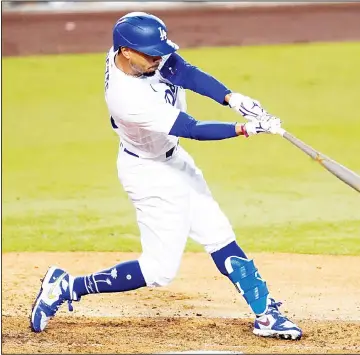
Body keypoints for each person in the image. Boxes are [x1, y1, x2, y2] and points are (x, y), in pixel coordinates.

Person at [29, 12, 302, 341]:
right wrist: (246, 128)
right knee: (159, 270)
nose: (159, 58)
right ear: (126, 52)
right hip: (148, 173)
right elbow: (192, 129)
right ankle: (67, 286)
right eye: (151, 53)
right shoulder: (126, 98)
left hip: (175, 160)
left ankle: (266, 314)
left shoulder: (139, 55)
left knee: (219, 235)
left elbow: (182, 70)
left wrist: (233, 98)